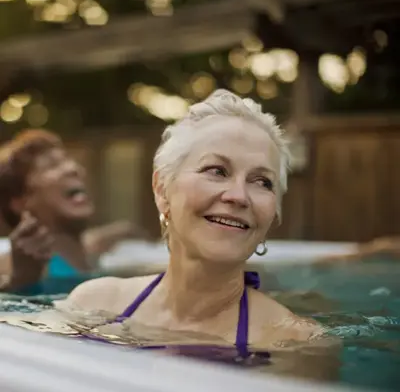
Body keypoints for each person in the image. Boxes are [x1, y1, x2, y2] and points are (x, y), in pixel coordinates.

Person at [60, 90, 339, 379]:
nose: (239, 196)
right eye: (217, 170)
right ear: (162, 189)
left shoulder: (297, 343)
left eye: (262, 181)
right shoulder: (92, 305)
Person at [0, 130, 147, 292]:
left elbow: (109, 235)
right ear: (21, 201)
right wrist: (20, 281)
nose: (73, 168)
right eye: (52, 165)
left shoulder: (94, 252)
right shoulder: (9, 265)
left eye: (69, 160)